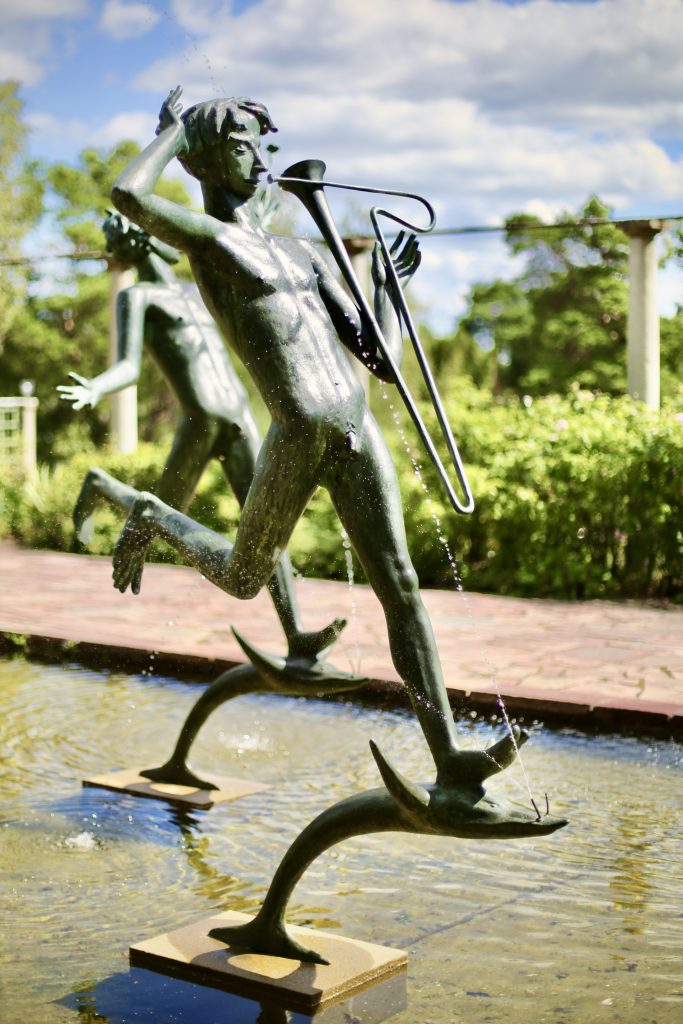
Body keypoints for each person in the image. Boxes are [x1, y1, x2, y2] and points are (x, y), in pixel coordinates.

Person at [110, 87, 463, 782]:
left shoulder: (304, 253)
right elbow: (128, 193)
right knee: (244, 579)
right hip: (298, 432)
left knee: (402, 588)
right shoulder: (209, 242)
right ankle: (152, 515)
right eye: (244, 146)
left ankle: (449, 762)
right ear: (205, 162)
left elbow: (380, 361)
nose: (262, 160)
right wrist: (179, 131)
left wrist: (386, 288)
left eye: (263, 145)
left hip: (355, 427)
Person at [58, 210, 342, 658]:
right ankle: (100, 484)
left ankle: (295, 636)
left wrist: (257, 219)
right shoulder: (137, 297)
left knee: (266, 527)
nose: (122, 247)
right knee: (162, 516)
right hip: (199, 424)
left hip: (240, 419)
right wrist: (96, 386)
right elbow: (128, 366)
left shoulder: (195, 289)